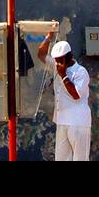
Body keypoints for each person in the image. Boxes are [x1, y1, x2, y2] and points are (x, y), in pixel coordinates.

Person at [37, 28, 91, 160]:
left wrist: (63, 76)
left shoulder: (80, 72)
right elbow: (41, 54)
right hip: (62, 121)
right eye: (57, 60)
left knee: (80, 158)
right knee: (61, 158)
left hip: (78, 122)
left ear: (69, 57)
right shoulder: (57, 65)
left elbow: (76, 95)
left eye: (61, 60)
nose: (58, 63)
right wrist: (48, 37)